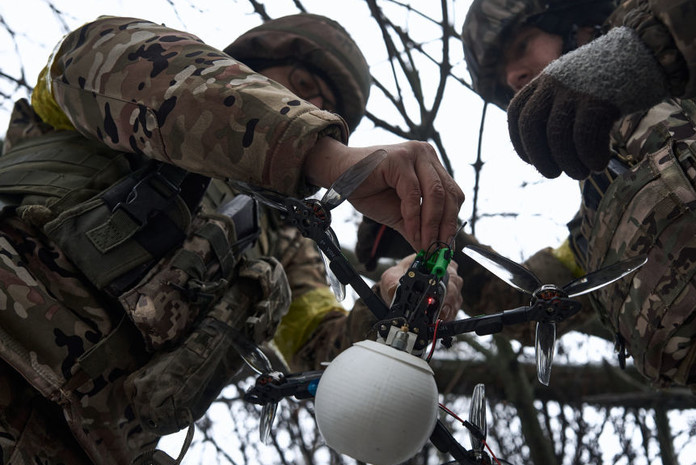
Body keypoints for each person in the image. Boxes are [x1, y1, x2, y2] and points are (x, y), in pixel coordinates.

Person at [0, 13, 463, 465]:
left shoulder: (281, 238)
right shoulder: (118, 86)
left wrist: (393, 304)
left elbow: (323, 348)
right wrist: (323, 153)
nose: (308, 102)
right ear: (247, 64)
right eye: (300, 82)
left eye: (324, 105)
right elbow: (104, 56)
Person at [461, 0, 696, 464]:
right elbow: (539, 300)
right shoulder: (596, 218)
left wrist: (652, 48)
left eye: (521, 45)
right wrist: (448, 249)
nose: (513, 78)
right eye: (500, 82)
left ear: (573, 17)